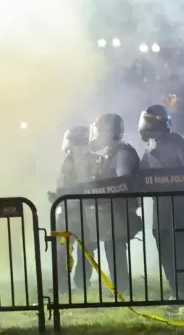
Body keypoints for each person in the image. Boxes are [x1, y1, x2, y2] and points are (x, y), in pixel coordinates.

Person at [138, 104, 184, 299]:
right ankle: (175, 287)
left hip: (179, 203)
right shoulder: (150, 146)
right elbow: (143, 171)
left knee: (180, 247)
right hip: (160, 205)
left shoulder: (179, 143)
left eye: (149, 121)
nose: (146, 126)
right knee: (163, 245)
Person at [88, 113, 142, 297]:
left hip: (119, 211)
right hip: (110, 211)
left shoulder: (122, 153)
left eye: (100, 131)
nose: (97, 136)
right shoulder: (110, 153)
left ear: (108, 131)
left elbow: (123, 182)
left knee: (115, 248)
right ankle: (120, 285)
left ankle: (122, 287)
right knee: (111, 247)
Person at [50, 126, 98, 293]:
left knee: (87, 248)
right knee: (62, 249)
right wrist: (57, 195)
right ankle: (62, 285)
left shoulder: (93, 160)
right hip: (66, 212)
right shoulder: (67, 161)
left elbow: (92, 185)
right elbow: (62, 184)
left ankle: (82, 281)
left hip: (86, 211)